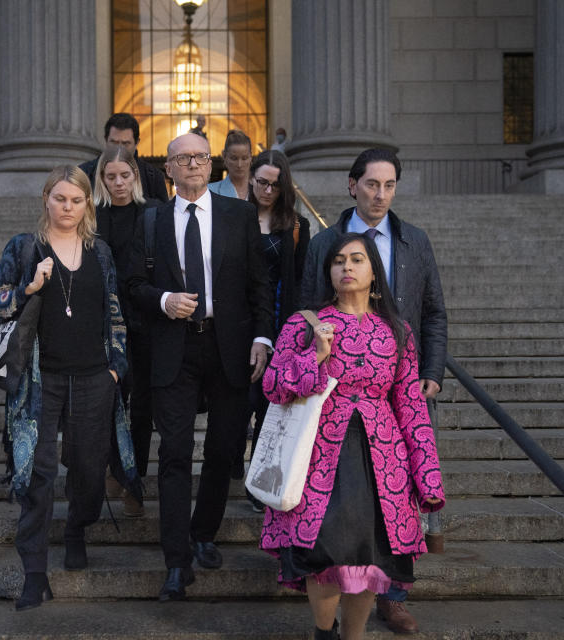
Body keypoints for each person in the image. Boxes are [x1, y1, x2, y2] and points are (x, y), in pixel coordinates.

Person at [261, 232, 445, 640]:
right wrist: (315, 356)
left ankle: (354, 636)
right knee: (325, 551)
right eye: (339, 260)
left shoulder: (397, 331)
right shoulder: (303, 324)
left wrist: (427, 475)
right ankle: (324, 633)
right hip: (319, 452)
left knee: (369, 556)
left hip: (383, 456)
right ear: (328, 272)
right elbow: (273, 385)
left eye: (357, 259)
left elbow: (412, 407)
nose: (347, 266)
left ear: (373, 273)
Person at [299, 148, 448, 634]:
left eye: (389, 186)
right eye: (371, 184)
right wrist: (310, 353)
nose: (380, 194)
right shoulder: (324, 242)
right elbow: (305, 309)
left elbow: (435, 311)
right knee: (335, 532)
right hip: (329, 415)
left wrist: (431, 367)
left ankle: (393, 600)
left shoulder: (414, 241)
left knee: (386, 520)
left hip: (393, 391)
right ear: (352, 185)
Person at [127, 132, 273, 602]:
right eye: (181, 158)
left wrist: (261, 338)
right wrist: (164, 299)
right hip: (174, 350)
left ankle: (205, 532)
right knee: (172, 454)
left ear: (210, 166)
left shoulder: (240, 214)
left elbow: (259, 285)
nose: (191, 164)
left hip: (229, 347)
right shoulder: (150, 220)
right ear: (167, 169)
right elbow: (131, 286)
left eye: (199, 157)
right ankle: (176, 559)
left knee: (222, 448)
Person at [0, 165, 134, 611]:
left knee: (89, 469)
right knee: (38, 473)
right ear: (46, 199)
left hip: (93, 376)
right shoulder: (24, 247)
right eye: (60, 199)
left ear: (87, 203)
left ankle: (76, 528)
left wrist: (115, 368)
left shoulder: (100, 251)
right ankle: (34, 573)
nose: (67, 207)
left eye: (76, 200)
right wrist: (28, 287)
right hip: (39, 379)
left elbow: (115, 313)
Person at [93, 144, 163, 517]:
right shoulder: (93, 217)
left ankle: (134, 482)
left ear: (135, 176)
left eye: (125, 175)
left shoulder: (151, 213)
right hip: (104, 324)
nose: (118, 183)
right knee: (109, 401)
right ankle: (115, 469)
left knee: (143, 409)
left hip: (144, 320)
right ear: (101, 179)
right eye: (110, 177)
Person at [240, 149, 309, 511]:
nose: (268, 190)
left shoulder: (296, 226)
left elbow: (299, 281)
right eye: (262, 182)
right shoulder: (234, 218)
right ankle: (234, 472)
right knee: (241, 403)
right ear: (251, 179)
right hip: (239, 323)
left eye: (275, 185)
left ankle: (258, 479)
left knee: (269, 407)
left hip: (281, 325)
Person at [79, 112, 169, 202]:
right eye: (114, 142)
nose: (119, 148)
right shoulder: (84, 173)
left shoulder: (153, 177)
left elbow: (162, 213)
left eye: (125, 143)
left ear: (137, 142)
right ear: (106, 140)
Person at [208, 129, 252, 200]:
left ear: (250, 157)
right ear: (224, 156)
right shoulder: (210, 191)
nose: (239, 165)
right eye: (234, 158)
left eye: (244, 158)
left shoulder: (261, 190)